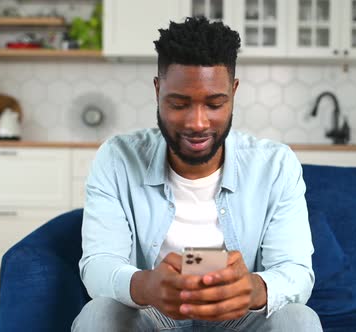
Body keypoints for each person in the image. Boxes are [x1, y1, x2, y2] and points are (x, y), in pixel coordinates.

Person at [72, 16, 322, 332]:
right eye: (179, 103)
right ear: (158, 89)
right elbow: (97, 266)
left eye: (215, 104)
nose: (198, 123)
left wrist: (252, 289)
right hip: (152, 313)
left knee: (299, 318)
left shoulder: (275, 165)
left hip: (240, 316)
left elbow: (296, 271)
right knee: (101, 314)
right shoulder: (116, 158)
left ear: (233, 92)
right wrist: (147, 285)